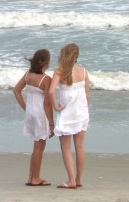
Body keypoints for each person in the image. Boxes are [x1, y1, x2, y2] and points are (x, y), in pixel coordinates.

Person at [49, 43, 89, 189]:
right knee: (79, 147)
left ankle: (71, 180)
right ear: (76, 56)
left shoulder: (60, 72)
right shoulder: (84, 72)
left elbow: (51, 92)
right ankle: (78, 179)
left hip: (67, 113)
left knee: (65, 147)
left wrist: (55, 106)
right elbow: (87, 95)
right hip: (82, 112)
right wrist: (84, 109)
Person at [13, 49, 54, 186]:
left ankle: (32, 176)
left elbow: (16, 90)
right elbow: (47, 104)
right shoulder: (46, 79)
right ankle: (35, 178)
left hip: (30, 112)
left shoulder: (28, 75)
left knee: (37, 145)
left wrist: (26, 107)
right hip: (40, 113)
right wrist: (52, 123)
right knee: (39, 145)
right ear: (46, 63)